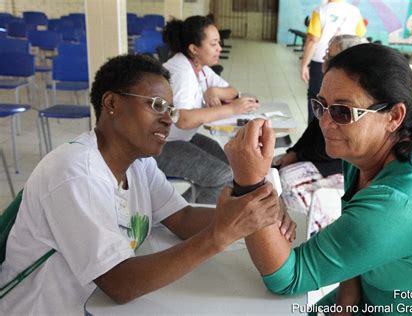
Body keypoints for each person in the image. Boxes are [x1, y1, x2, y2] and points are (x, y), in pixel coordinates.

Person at [0, 54, 296, 315]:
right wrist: (219, 236)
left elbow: (182, 218)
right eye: (156, 105)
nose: (168, 120)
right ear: (112, 103)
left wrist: (250, 214)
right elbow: (119, 284)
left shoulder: (139, 164)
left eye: (170, 109)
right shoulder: (76, 173)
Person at [225, 44, 412, 313]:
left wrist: (250, 181)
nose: (325, 123)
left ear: (394, 116)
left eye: (343, 112)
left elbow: (288, 278)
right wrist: (346, 299)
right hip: (378, 292)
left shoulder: (399, 200)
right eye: (321, 106)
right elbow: (357, 249)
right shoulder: (369, 157)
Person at [155, 15, 259, 204]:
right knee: (223, 176)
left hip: (181, 138)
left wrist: (214, 90)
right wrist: (232, 109)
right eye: (213, 44)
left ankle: (181, 210)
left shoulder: (200, 68)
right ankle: (186, 218)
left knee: (234, 167)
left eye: (219, 43)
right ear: (194, 49)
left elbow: (232, 91)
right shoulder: (181, 72)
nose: (219, 48)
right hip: (159, 145)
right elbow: (183, 119)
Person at [275, 35, 367, 213]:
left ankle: (293, 227)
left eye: (330, 56)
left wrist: (297, 157)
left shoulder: (353, 98)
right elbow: (314, 127)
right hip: (320, 156)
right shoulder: (331, 87)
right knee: (271, 168)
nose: (324, 59)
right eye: (326, 54)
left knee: (284, 181)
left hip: (335, 163)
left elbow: (331, 151)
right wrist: (293, 152)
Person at [301, 0, 366, 123]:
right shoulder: (354, 11)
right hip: (346, 64)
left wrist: (304, 64)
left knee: (317, 100)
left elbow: (312, 40)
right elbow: (359, 37)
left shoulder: (320, 11)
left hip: (321, 62)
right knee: (340, 101)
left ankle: (313, 135)